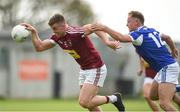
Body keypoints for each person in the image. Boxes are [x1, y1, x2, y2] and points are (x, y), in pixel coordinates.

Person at [21, 13, 125, 112]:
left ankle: (114, 98)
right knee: (90, 105)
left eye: (55, 29)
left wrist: (107, 41)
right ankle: (113, 98)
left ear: (63, 26)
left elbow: (95, 27)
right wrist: (34, 32)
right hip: (84, 69)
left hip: (95, 68)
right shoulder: (57, 37)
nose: (54, 32)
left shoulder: (75, 32)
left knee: (84, 102)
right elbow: (39, 47)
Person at [92, 11, 180, 111]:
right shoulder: (151, 30)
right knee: (152, 96)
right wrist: (173, 49)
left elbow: (120, 37)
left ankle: (171, 88)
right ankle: (174, 88)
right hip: (164, 68)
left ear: (137, 22)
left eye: (129, 21)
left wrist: (104, 28)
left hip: (166, 68)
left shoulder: (138, 34)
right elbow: (167, 37)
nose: (126, 24)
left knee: (164, 104)